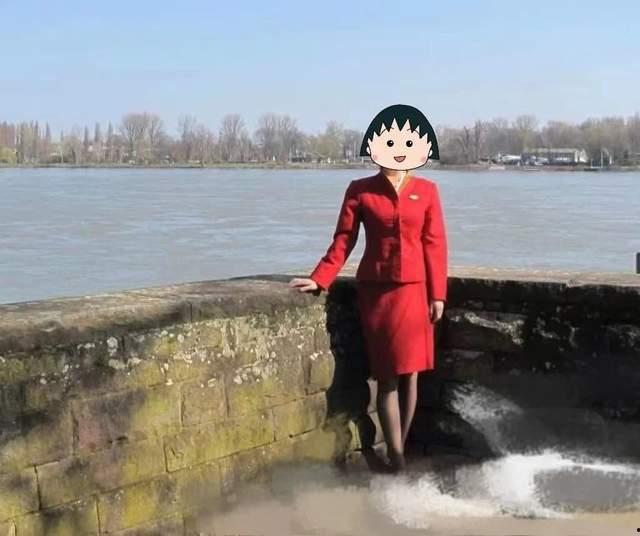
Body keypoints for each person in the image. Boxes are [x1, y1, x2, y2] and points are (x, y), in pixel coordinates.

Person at [289, 104, 448, 473]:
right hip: (378, 293)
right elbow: (344, 239)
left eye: (408, 142)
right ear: (374, 146)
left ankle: (398, 450)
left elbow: (435, 244)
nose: (398, 150)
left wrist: (438, 295)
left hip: (416, 291)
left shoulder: (427, 191)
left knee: (411, 374)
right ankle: (397, 457)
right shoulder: (360, 190)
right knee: (388, 375)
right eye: (389, 142)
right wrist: (320, 277)